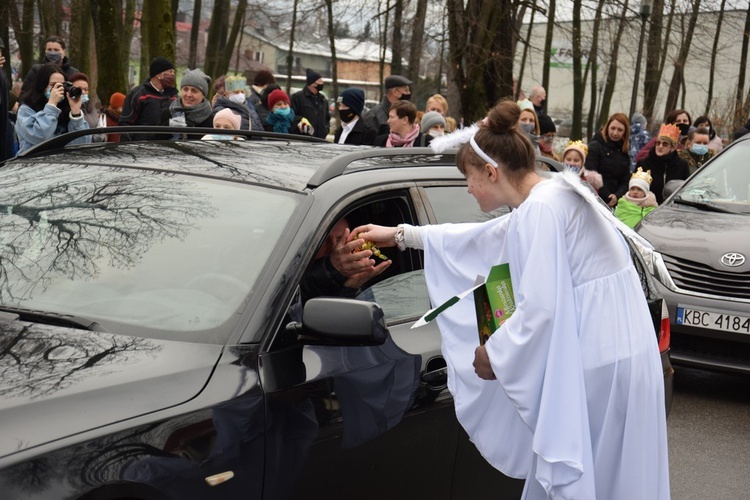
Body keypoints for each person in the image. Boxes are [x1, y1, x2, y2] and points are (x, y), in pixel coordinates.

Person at [351, 99, 669, 500]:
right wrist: (400, 234)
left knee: (588, 483)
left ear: (490, 170)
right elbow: (482, 239)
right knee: (613, 483)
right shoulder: (551, 195)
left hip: (598, 367)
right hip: (619, 357)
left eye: (468, 177)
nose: (467, 189)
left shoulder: (542, 210)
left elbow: (540, 308)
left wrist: (494, 354)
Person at [15, 64, 91, 154]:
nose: (58, 89)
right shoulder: (26, 110)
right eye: (53, 85)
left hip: (62, 165)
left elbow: (82, 144)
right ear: (42, 86)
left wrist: (75, 113)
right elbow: (40, 137)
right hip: (33, 164)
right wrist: (51, 105)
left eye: (62, 85)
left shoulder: (65, 109)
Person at [119, 56, 178, 141]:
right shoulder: (138, 94)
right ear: (159, 74)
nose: (173, 75)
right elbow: (125, 124)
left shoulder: (173, 97)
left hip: (166, 149)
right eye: (170, 71)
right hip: (141, 149)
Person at [635, 123, 690, 204]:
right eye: (658, 143)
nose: (660, 146)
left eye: (665, 144)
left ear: (673, 147)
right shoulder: (644, 164)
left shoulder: (682, 165)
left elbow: (684, 191)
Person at [585, 112, 631, 207]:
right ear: (607, 128)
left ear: (625, 132)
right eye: (613, 128)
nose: (615, 133)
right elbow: (591, 174)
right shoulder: (595, 147)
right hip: (594, 198)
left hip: (615, 202)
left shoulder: (624, 153)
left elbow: (625, 181)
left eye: (620, 130)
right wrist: (607, 196)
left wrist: (617, 196)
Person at [290, 68, 329, 139]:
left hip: (320, 140)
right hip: (303, 139)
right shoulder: (297, 97)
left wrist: (325, 130)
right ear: (312, 83)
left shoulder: (323, 100)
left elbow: (327, 119)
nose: (322, 83)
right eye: (320, 81)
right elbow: (292, 116)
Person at [68, 72, 105, 142]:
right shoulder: (69, 111)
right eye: (79, 89)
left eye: (86, 89)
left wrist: (103, 137)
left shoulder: (92, 109)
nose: (83, 92)